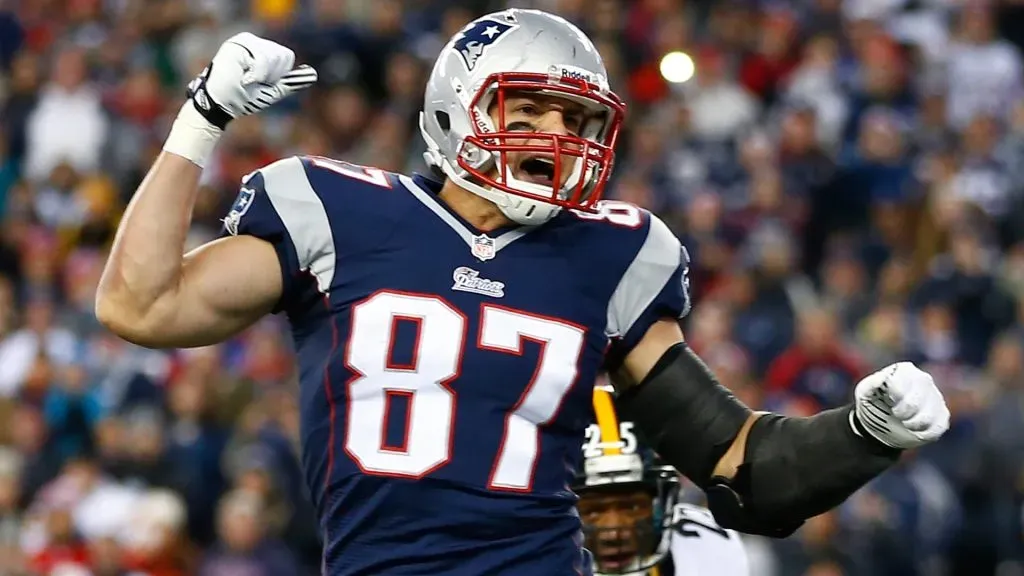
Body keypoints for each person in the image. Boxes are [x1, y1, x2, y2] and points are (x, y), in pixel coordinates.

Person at [95, 9, 950, 575]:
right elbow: (141, 305)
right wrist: (201, 119)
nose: (557, 137)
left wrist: (864, 433)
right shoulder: (338, 210)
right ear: (457, 111)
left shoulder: (610, 254)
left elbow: (743, 469)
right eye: (530, 111)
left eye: (576, 120)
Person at [576, 383, 749, 576]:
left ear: (661, 503)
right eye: (592, 511)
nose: (613, 532)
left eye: (632, 507)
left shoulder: (708, 547)